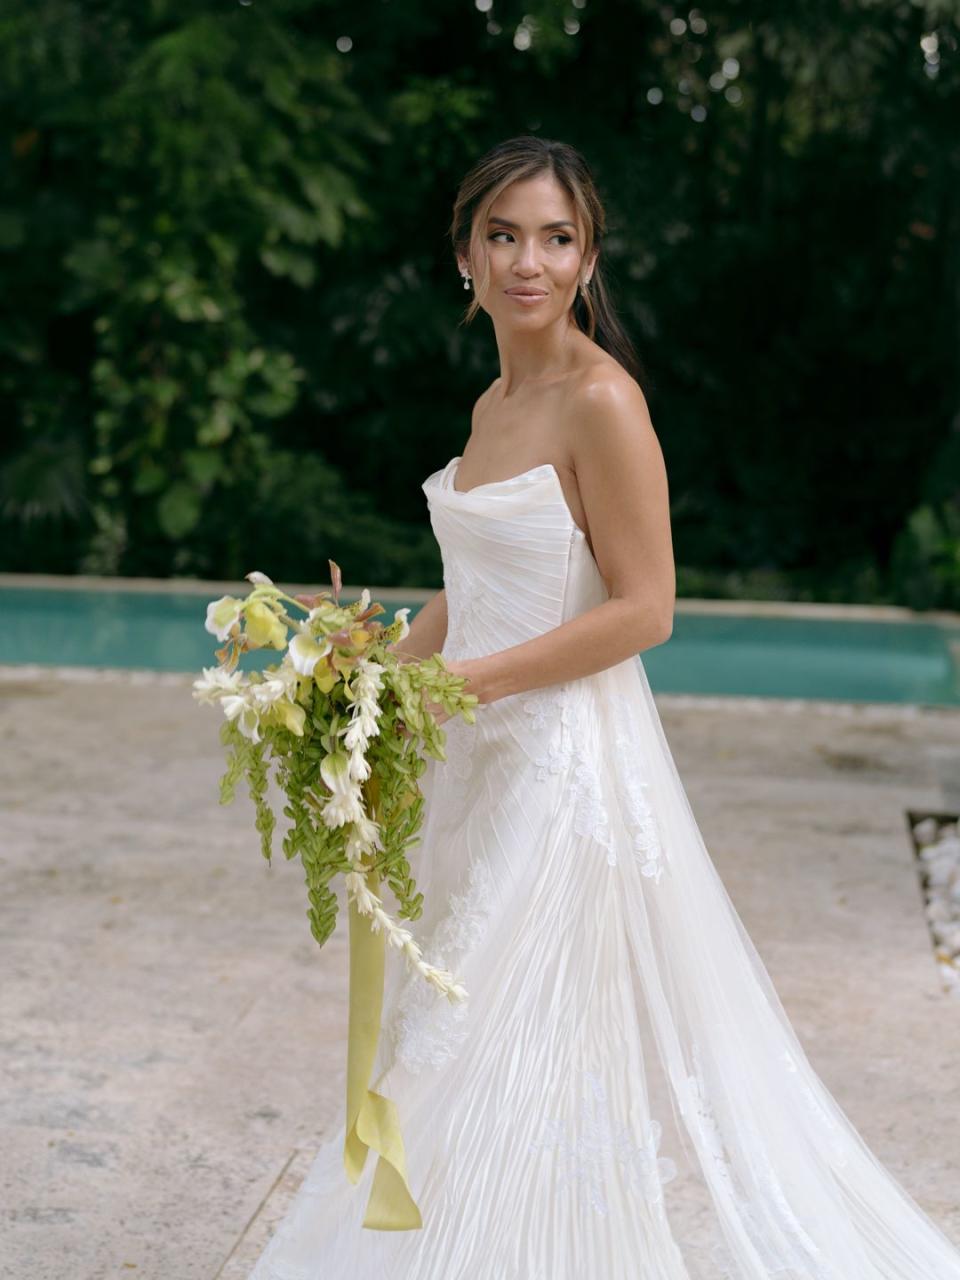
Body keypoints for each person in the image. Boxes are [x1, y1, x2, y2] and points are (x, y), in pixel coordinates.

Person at [248, 135, 960, 1279]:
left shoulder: (603, 402)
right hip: (479, 761)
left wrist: (456, 685)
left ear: (588, 259)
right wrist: (372, 667)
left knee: (480, 1031)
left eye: (558, 237)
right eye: (505, 234)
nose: (531, 260)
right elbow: (475, 586)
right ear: (465, 257)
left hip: (561, 770)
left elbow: (646, 608)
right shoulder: (492, 403)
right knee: (491, 1037)